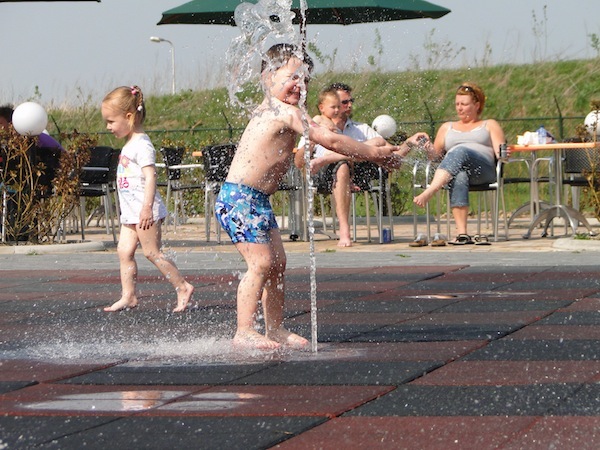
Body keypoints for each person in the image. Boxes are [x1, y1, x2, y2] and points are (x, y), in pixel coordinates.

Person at [215, 43, 401, 350]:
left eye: (304, 79)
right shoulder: (281, 111)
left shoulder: (289, 111)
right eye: (291, 77)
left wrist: (375, 149)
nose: (298, 85)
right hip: (238, 198)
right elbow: (328, 138)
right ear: (267, 77)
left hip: (256, 199)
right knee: (261, 264)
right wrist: (373, 154)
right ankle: (244, 329)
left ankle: (274, 328)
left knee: (277, 264)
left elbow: (328, 140)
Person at [101, 85, 194, 312]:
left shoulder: (142, 145)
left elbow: (151, 177)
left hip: (144, 211)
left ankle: (182, 286)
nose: (108, 127)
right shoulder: (130, 144)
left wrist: (146, 209)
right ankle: (129, 296)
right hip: (131, 211)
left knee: (152, 252)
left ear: (129, 117)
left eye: (111, 121)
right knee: (124, 251)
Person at [297, 84, 425, 247]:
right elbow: (299, 161)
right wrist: (312, 141)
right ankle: (344, 229)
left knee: (376, 143)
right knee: (345, 163)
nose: (348, 106)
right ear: (325, 107)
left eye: (350, 101)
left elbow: (393, 160)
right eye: (343, 102)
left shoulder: (361, 129)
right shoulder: (316, 127)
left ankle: (338, 161)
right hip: (324, 176)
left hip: (357, 175)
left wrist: (409, 144)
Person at [413, 82, 506, 245]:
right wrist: (428, 147)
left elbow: (500, 152)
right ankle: (462, 233)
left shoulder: (489, 124)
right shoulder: (447, 127)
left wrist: (505, 153)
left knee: (459, 151)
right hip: (456, 171)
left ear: (476, 105)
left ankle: (431, 190)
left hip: (483, 170)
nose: (459, 108)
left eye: (464, 104)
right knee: (459, 175)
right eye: (457, 104)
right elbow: (435, 158)